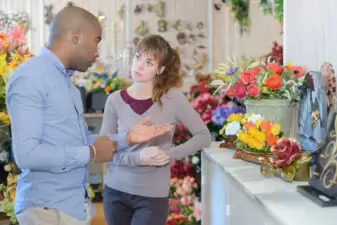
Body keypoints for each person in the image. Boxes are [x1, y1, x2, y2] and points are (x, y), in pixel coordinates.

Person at [6, 6, 173, 225]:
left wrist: (128, 138)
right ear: (75, 37)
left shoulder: (67, 84)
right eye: (96, 40)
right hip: (47, 210)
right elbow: (27, 155)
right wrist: (91, 153)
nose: (97, 51)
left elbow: (82, 140)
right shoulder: (31, 77)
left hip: (70, 207)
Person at [100, 34, 212, 225]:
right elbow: (104, 149)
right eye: (138, 57)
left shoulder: (173, 99)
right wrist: (138, 158)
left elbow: (203, 136)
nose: (139, 66)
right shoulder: (114, 100)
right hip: (115, 192)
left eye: (149, 62)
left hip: (152, 197)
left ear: (160, 69)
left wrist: (169, 154)